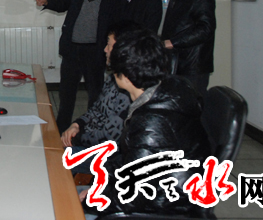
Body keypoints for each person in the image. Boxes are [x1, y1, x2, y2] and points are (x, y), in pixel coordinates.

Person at [80, 29, 210, 217]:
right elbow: (125, 160)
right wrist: (98, 185)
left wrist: (91, 201)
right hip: (162, 196)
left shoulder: (152, 122)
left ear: (124, 74)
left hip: (165, 208)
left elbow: (132, 196)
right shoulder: (167, 92)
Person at [34, 0, 116, 132]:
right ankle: (61, 127)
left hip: (94, 53)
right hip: (72, 51)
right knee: (66, 93)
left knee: (95, 93)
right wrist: (47, 0)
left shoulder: (110, 1)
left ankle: (92, 128)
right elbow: (61, 0)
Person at [61, 20, 140, 175]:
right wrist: (77, 124)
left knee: (53, 155)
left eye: (109, 45)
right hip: (91, 142)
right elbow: (97, 109)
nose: (105, 49)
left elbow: (109, 138)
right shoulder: (114, 78)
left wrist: (77, 138)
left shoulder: (129, 89)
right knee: (53, 146)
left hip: (108, 156)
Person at [161, 0, 216, 97]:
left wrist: (173, 42)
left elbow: (205, 28)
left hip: (192, 66)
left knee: (191, 105)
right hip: (175, 63)